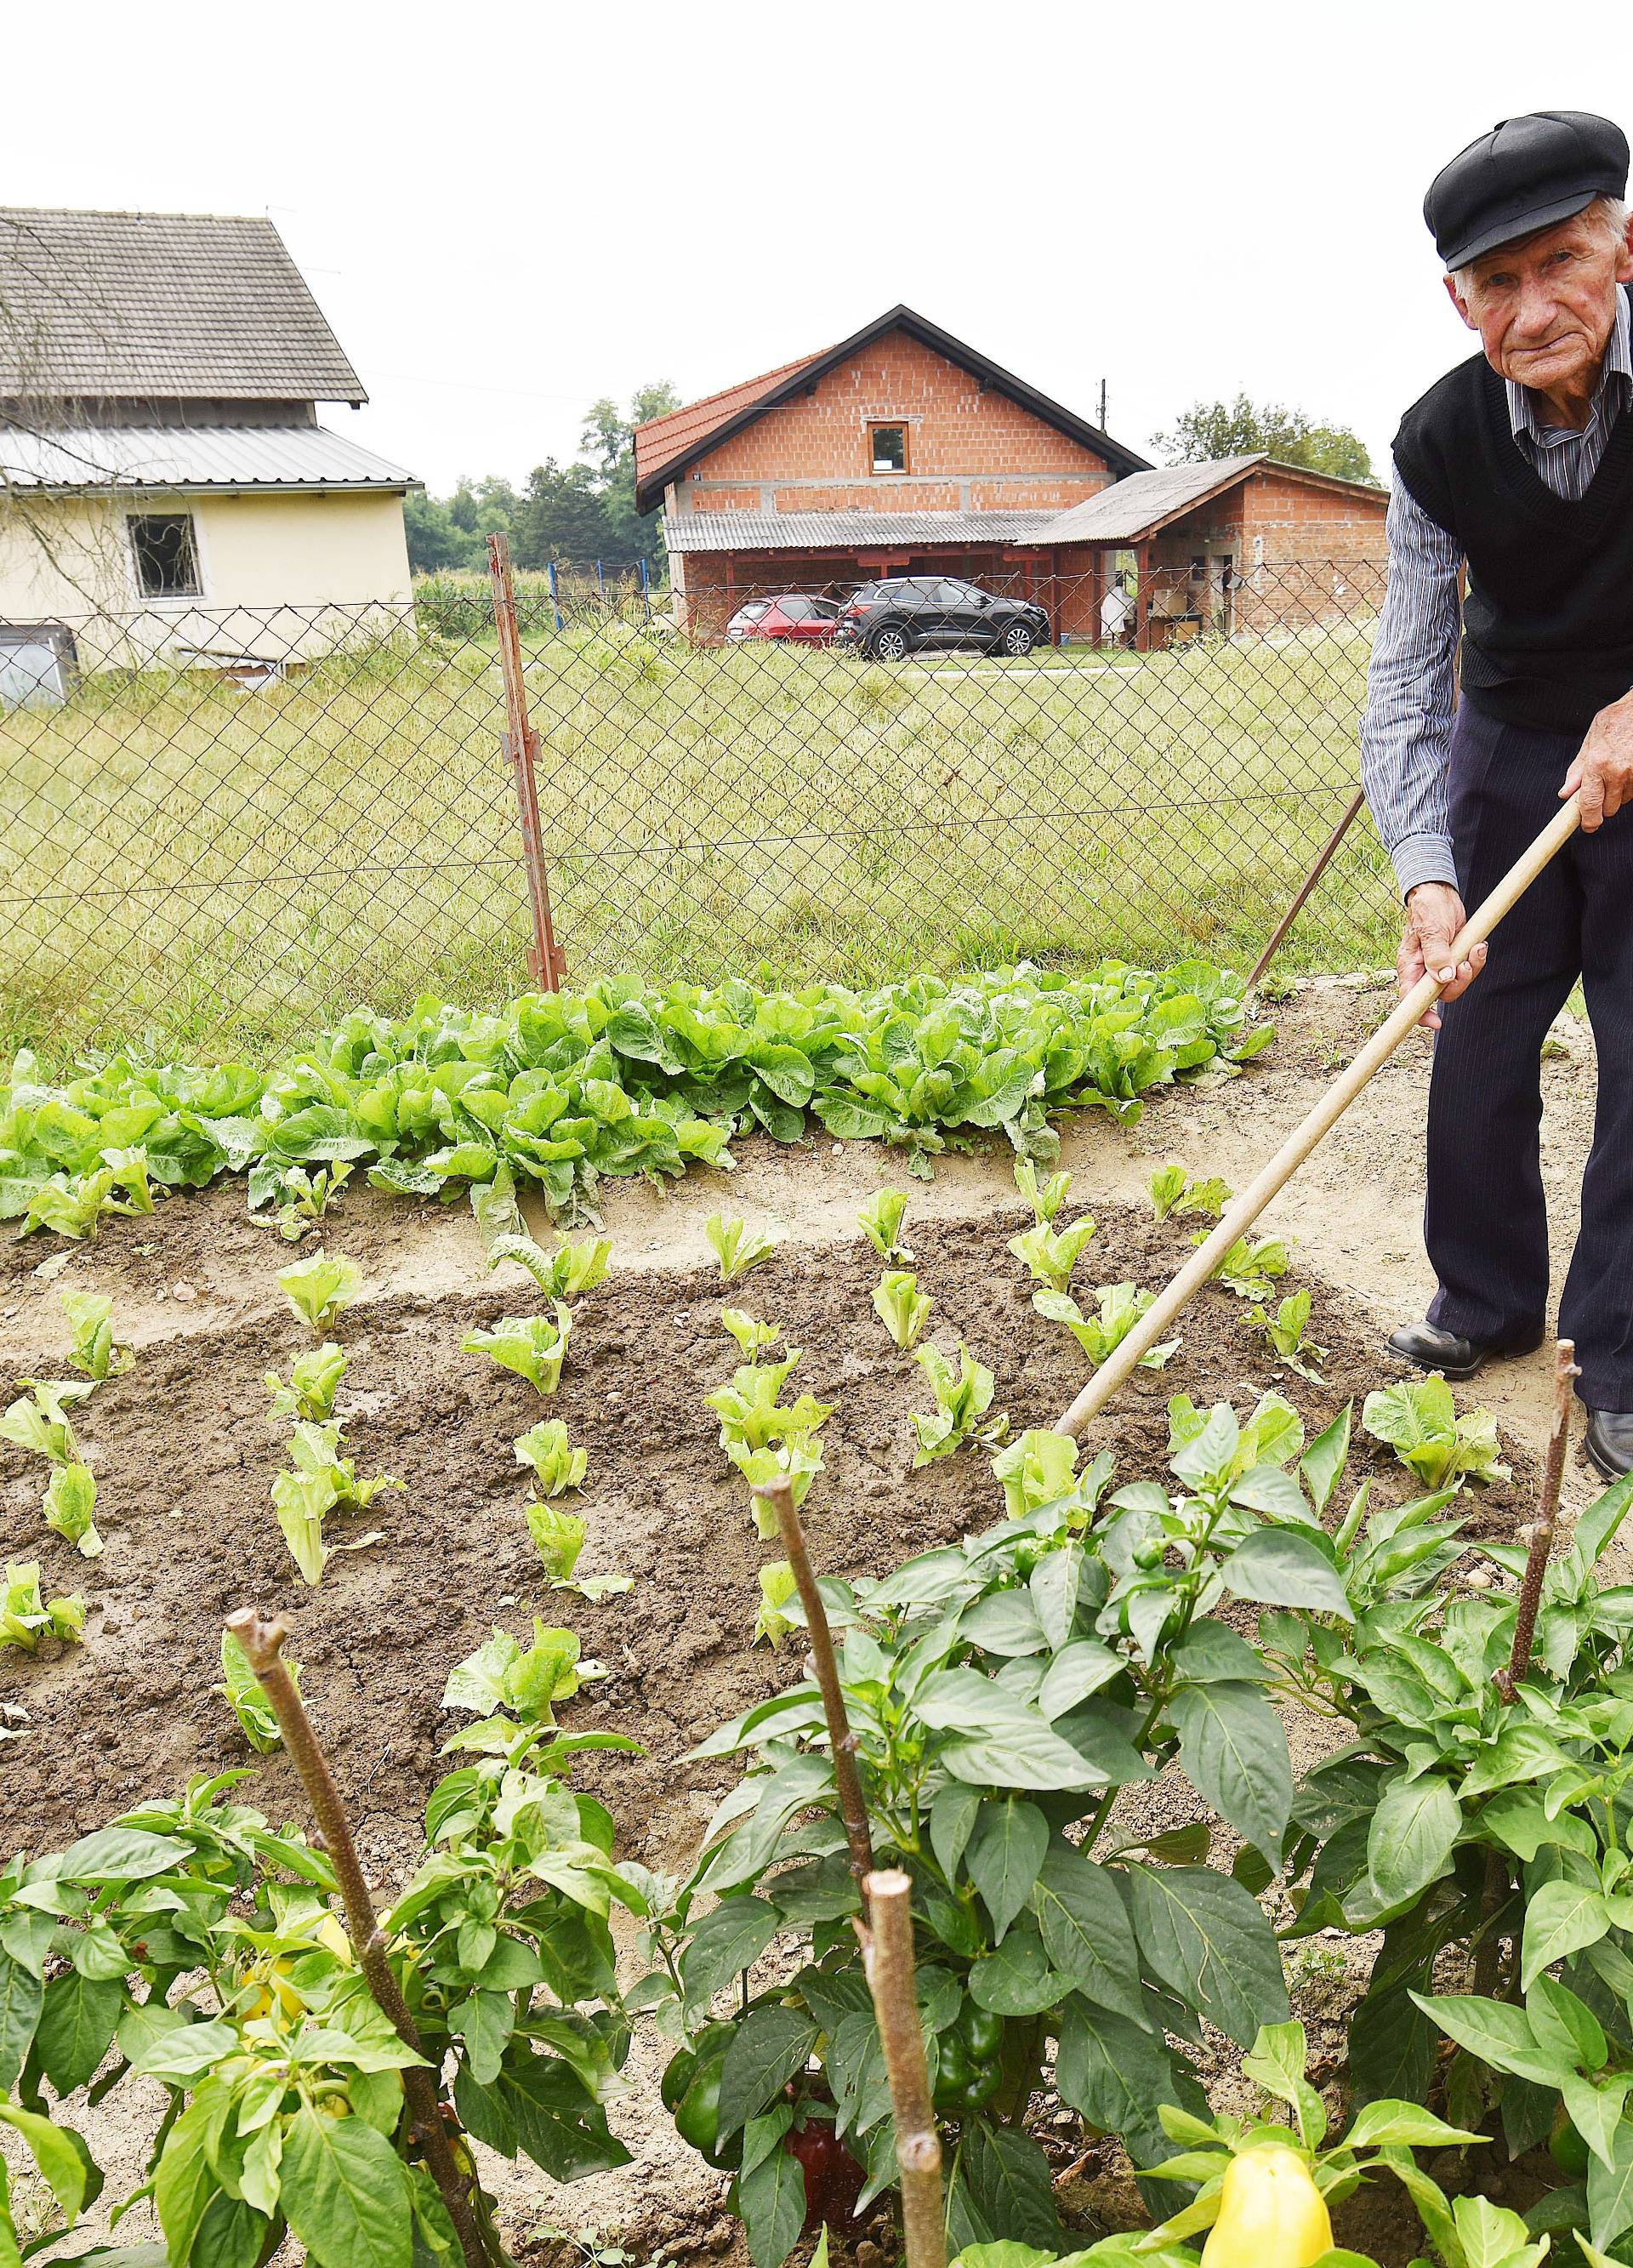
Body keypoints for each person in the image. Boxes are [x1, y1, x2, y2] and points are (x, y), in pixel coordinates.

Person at [1359, 110, 1633, 1477]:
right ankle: (1486, 1301)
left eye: (1564, 262)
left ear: (1623, 243)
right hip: (1511, 740)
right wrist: (1426, 873)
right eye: (1499, 283)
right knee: (1472, 1023)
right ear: (1456, 299)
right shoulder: (1431, 446)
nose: (1537, 309)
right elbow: (1404, 686)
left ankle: (1619, 1352)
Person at [1100, 572, 1134, 646]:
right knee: (1128, 625)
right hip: (1118, 615)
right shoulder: (1117, 594)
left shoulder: (1110, 596)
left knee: (1126, 627)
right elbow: (1129, 601)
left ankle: (1125, 641)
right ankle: (1125, 642)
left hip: (1112, 615)